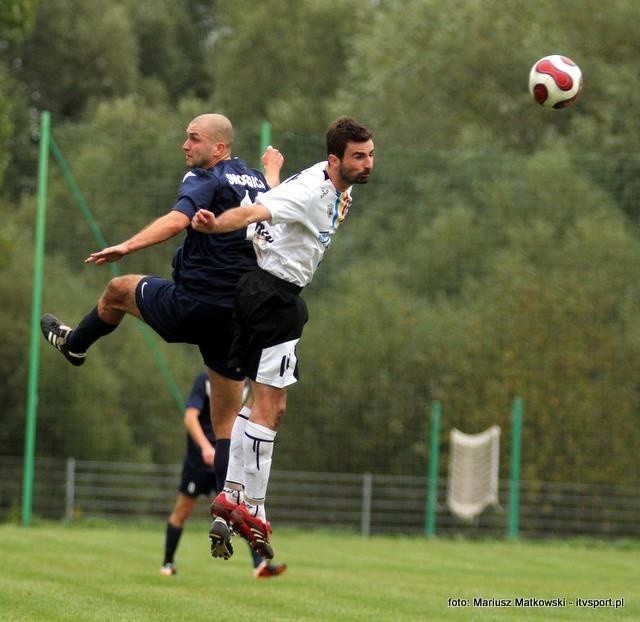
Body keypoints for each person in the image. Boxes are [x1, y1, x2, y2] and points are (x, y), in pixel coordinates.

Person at [40, 114, 283, 509]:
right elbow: (270, 202)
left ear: (218, 148)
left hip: (194, 306)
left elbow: (176, 221)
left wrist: (127, 247)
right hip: (236, 318)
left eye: (194, 139)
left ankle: (75, 345)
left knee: (118, 290)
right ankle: (229, 509)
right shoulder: (253, 179)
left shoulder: (207, 178)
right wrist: (272, 170)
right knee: (225, 423)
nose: (186, 146)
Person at [192, 117, 375, 560]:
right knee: (271, 410)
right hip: (274, 298)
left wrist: (271, 171)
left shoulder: (330, 184)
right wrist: (216, 225)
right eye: (358, 156)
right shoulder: (314, 189)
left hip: (261, 292)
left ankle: (231, 497)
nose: (368, 163)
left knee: (258, 405)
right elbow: (255, 212)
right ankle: (251, 506)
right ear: (335, 160)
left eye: (370, 154)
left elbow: (273, 200)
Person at [160, 371, 287, 579]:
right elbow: (190, 417)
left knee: (239, 509)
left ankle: (259, 566)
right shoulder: (206, 380)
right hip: (200, 460)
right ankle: (167, 563)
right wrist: (205, 448)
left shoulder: (251, 383)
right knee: (182, 510)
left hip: (230, 461)